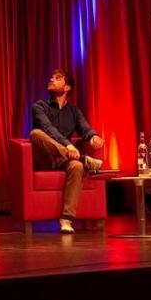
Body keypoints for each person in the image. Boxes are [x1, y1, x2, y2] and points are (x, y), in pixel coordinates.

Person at [28, 68, 105, 233]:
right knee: (36, 134)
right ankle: (83, 158)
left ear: (67, 87)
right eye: (51, 77)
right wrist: (67, 145)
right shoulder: (39, 106)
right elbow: (48, 129)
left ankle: (66, 219)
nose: (51, 79)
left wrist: (93, 137)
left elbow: (85, 128)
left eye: (57, 78)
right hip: (45, 157)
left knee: (77, 166)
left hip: (65, 159)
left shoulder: (74, 111)